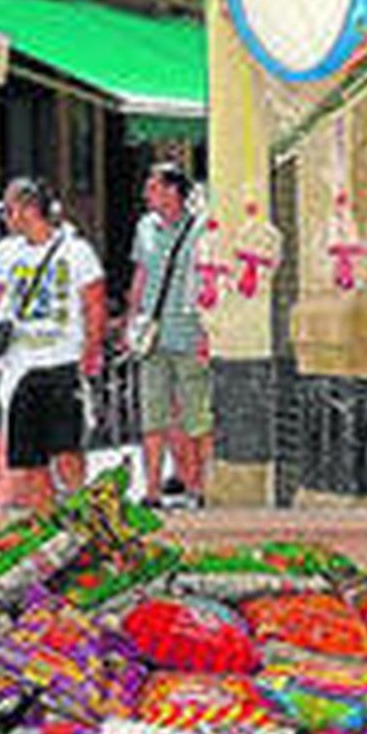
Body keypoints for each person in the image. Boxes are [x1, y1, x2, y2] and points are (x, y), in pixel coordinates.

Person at [0, 176, 106, 514]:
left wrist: (91, 352)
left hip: (62, 361)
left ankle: (81, 517)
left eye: (9, 209)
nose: (6, 217)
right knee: (30, 458)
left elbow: (94, 304)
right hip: (19, 367)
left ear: (29, 209)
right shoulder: (6, 253)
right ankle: (46, 522)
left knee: (67, 451)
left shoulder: (76, 251)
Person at [127, 161, 208, 508]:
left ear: (174, 191)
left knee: (196, 416)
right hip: (152, 337)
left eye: (154, 187)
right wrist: (132, 319)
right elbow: (141, 275)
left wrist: (209, 331)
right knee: (153, 417)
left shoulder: (201, 228)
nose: (147, 193)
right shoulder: (145, 227)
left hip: (190, 333)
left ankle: (200, 487)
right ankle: (152, 490)